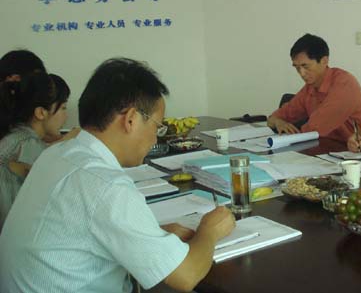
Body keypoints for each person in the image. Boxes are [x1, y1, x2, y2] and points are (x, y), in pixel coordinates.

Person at [0, 58, 235, 292]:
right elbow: (186, 276)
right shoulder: (106, 184)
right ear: (131, 119)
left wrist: (153, 235)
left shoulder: (57, 154)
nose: (155, 137)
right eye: (157, 126)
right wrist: (209, 231)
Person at [267, 33, 361, 144]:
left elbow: (315, 128)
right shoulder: (310, 88)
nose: (302, 73)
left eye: (305, 66)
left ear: (324, 61)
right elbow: (274, 117)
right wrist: (278, 122)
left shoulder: (344, 83)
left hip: (355, 149)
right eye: (297, 68)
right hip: (324, 146)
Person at [0, 72, 71, 231]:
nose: (66, 116)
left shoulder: (16, 138)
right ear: (40, 113)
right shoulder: (27, 145)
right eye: (63, 108)